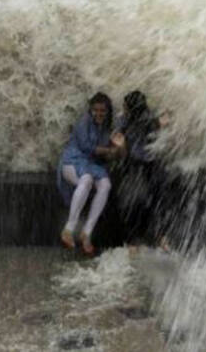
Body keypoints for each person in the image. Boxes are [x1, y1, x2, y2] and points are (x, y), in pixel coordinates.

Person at [57, 92, 120, 256]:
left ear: (108, 111)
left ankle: (87, 233)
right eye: (96, 110)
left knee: (106, 185)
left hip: (92, 164)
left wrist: (118, 149)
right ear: (90, 110)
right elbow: (87, 148)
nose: (99, 114)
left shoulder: (109, 127)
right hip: (73, 161)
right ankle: (68, 229)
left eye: (103, 111)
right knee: (86, 180)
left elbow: (116, 151)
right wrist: (110, 150)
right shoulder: (83, 123)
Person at [111, 91, 171, 249]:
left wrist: (163, 121)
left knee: (159, 197)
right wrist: (121, 144)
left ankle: (161, 236)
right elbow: (119, 146)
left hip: (152, 163)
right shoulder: (123, 120)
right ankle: (132, 241)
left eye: (126, 107)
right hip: (133, 164)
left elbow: (159, 125)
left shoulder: (148, 117)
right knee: (135, 200)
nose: (123, 109)